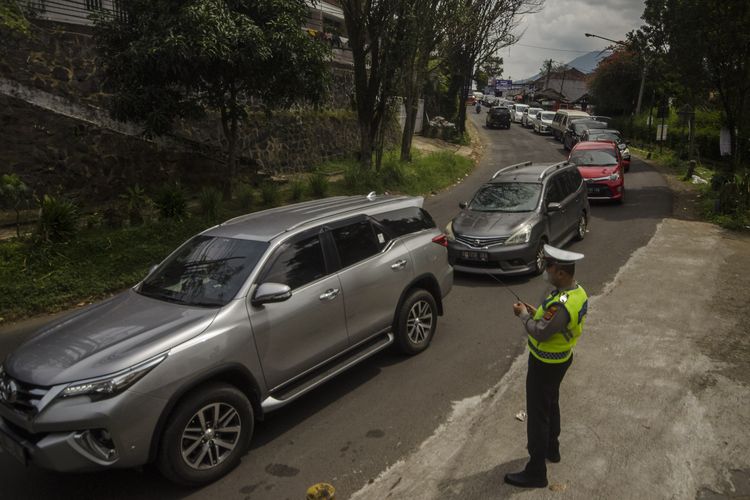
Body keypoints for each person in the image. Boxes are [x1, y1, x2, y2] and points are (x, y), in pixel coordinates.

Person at [504, 244, 589, 489]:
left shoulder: (561, 305)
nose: (546, 270)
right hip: (560, 359)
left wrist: (523, 315)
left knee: (538, 415)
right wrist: (534, 311)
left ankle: (536, 472)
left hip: (546, 363)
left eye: (549, 267)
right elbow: (553, 321)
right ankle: (553, 449)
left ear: (560, 273)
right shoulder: (576, 292)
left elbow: (540, 332)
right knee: (551, 403)